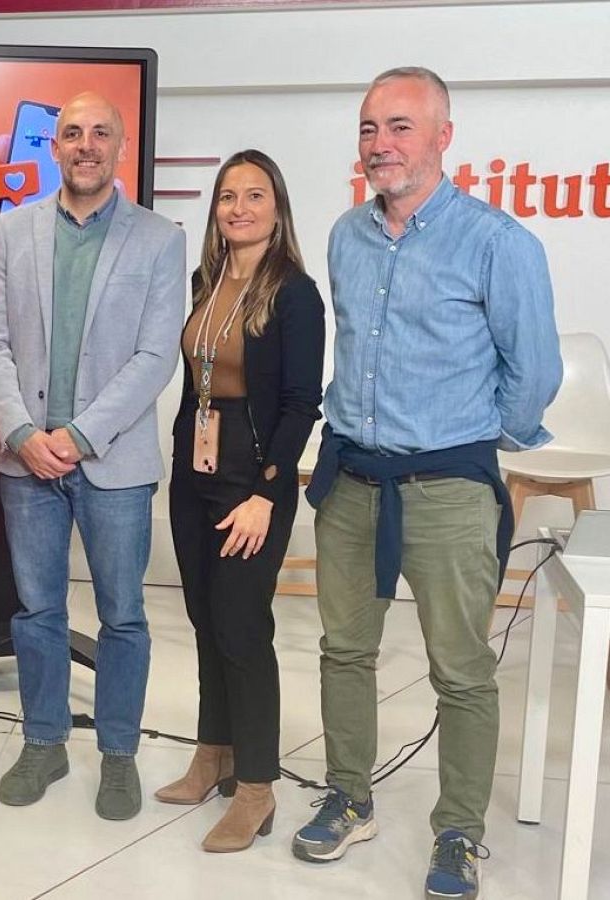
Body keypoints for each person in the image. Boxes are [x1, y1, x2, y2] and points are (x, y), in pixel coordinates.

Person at [291, 67, 560, 900]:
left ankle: (460, 833)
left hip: (446, 489)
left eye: (401, 127)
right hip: (352, 481)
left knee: (462, 668)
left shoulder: (496, 242)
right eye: (370, 128)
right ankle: (350, 796)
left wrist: (472, 446)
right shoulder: (345, 235)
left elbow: (535, 373)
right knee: (344, 650)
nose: (382, 145)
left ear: (445, 134)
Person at [0, 91, 186, 818]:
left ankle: (118, 752)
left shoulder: (159, 239)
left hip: (114, 464)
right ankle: (45, 742)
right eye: (72, 133)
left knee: (123, 614)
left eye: (101, 133)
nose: (86, 144)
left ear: (120, 147)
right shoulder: (14, 233)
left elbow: (157, 356)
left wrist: (79, 435)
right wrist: (25, 433)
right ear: (55, 147)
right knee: (37, 611)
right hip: (25, 462)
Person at [158, 150, 323, 852]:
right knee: (203, 617)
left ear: (277, 208)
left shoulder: (295, 293)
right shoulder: (207, 278)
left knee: (242, 626)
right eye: (228, 196)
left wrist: (266, 492)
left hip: (254, 474)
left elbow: (299, 403)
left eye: (255, 196)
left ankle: (256, 786)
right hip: (194, 466)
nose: (240, 208)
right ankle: (213, 753)